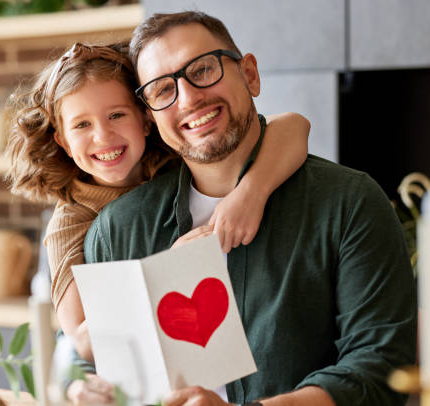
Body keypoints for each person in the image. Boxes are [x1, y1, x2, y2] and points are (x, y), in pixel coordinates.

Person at [80, 11, 417, 406]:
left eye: (203, 69)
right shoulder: (118, 229)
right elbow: (87, 360)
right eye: (161, 90)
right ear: (151, 117)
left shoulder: (349, 203)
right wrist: (83, 387)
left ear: (250, 75)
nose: (188, 99)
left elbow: (379, 367)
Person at [5, 42, 310, 371]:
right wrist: (168, 272)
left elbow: (294, 125)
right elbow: (82, 339)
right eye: (82, 125)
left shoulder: (180, 159)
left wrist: (250, 192)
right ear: (62, 140)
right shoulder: (69, 223)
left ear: (146, 120)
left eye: (117, 115)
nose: (103, 135)